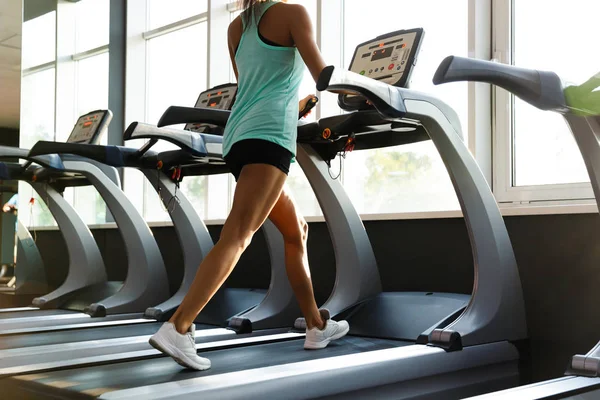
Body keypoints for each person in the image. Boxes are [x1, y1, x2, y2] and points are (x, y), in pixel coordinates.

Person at [149, 0, 349, 371]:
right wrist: (359, 88)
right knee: (238, 234)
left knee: (296, 231)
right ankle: (179, 326)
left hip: (240, 137)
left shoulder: (236, 28)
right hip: (270, 136)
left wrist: (298, 104)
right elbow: (323, 74)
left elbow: (254, 85)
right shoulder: (294, 13)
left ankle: (316, 326)